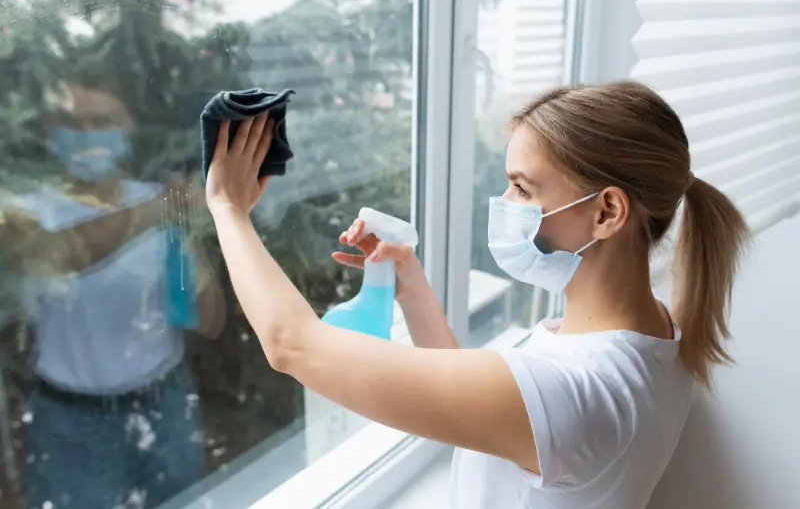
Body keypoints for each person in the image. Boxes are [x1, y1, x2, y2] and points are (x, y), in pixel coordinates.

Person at [204, 81, 749, 509]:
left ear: (607, 212)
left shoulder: (579, 392)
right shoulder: (655, 333)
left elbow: (291, 345)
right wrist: (410, 283)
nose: (504, 202)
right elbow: (488, 410)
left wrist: (228, 208)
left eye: (522, 187)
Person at [0, 82, 226, 508]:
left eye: (102, 121)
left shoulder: (160, 202)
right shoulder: (25, 212)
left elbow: (209, 321)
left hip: (166, 406)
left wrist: (189, 250)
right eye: (72, 123)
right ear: (48, 131)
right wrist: (159, 210)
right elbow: (58, 253)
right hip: (71, 421)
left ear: (127, 127)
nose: (87, 135)